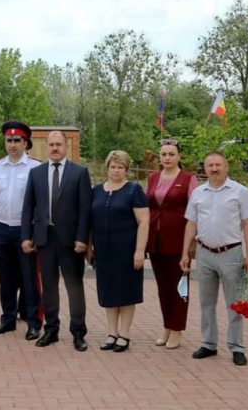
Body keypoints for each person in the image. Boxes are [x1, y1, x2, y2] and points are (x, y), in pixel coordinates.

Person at [181, 152, 248, 366]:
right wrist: (185, 252)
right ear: (204, 168)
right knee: (206, 303)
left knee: (234, 304)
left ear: (226, 167)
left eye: (218, 165)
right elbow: (191, 224)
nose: (214, 169)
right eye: (210, 165)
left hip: (231, 253)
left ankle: (237, 346)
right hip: (205, 253)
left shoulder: (239, 192)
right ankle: (209, 343)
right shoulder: (198, 193)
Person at [21, 130, 92, 351]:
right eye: (51, 145)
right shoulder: (37, 173)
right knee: (49, 287)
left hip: (71, 241)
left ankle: (78, 332)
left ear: (65, 147)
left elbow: (85, 209)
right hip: (45, 239)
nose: (54, 148)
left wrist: (82, 238)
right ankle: (51, 329)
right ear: (47, 147)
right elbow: (28, 207)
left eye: (58, 144)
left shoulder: (79, 172)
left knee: (74, 287)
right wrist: (26, 236)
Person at [0, 121, 42, 340]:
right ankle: (7, 319)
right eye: (9, 140)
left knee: (29, 278)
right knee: (6, 278)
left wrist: (36, 232)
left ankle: (34, 322)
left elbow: (41, 203)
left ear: (26, 143)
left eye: (17, 140)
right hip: (2, 228)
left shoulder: (36, 167)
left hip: (26, 230)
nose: (13, 144)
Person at [90, 151, 149, 353]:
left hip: (127, 250)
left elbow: (144, 222)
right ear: (107, 168)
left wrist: (140, 250)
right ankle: (111, 332)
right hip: (103, 250)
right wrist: (89, 247)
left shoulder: (134, 190)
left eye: (120, 167)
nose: (116, 171)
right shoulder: (96, 190)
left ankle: (124, 333)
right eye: (113, 167)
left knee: (126, 291)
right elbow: (90, 222)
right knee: (108, 291)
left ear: (126, 169)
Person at [146, 138, 198, 349]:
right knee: (163, 287)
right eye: (164, 154)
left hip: (179, 241)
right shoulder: (152, 178)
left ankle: (177, 328)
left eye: (171, 154)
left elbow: (196, 211)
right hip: (156, 241)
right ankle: (167, 326)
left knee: (180, 286)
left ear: (179, 156)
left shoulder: (188, 179)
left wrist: (192, 243)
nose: (167, 158)